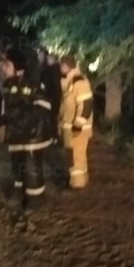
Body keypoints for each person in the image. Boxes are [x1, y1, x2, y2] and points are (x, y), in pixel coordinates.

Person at [0, 48, 54, 209]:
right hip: (16, 134)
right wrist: (4, 124)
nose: (4, 68)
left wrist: (22, 124)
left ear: (18, 66)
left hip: (32, 135)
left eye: (7, 65)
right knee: (17, 164)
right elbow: (6, 108)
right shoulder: (9, 84)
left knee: (31, 167)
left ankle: (35, 200)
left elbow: (42, 107)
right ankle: (19, 190)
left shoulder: (34, 83)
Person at [59, 55, 93, 188]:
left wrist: (78, 125)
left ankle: (77, 184)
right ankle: (81, 181)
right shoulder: (71, 81)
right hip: (73, 128)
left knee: (74, 158)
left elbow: (86, 105)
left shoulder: (78, 82)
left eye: (61, 65)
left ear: (66, 66)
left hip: (77, 129)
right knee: (78, 156)